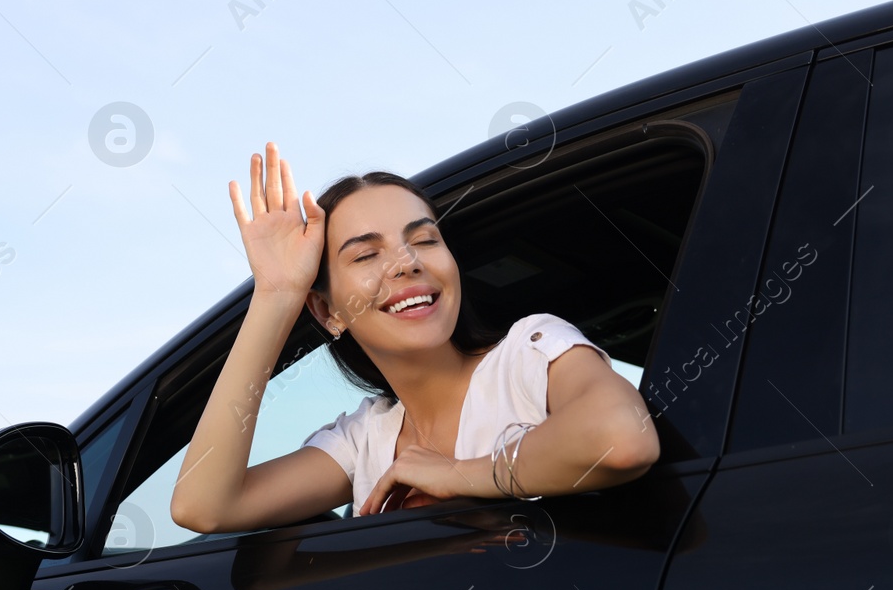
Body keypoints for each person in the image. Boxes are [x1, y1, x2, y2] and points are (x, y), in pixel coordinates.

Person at [168, 143, 660, 534]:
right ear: (328, 311)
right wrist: (277, 295)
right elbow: (203, 506)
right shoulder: (364, 441)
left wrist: (456, 475)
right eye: (365, 255)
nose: (407, 261)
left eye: (425, 239)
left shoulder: (531, 352)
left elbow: (621, 440)